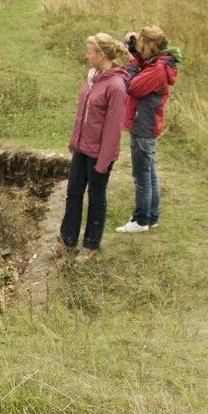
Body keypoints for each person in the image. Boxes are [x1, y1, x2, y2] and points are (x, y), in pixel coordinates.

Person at [58, 33, 129, 261]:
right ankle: (67, 240)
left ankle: (91, 246)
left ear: (101, 55)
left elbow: (113, 129)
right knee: (73, 193)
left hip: (99, 154)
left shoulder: (116, 86)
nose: (86, 55)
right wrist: (74, 141)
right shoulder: (93, 78)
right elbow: (83, 114)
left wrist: (104, 161)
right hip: (81, 148)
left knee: (96, 198)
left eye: (89, 51)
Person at [115, 26, 182, 234]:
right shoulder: (158, 63)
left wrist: (133, 63)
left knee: (142, 176)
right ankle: (151, 217)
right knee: (150, 173)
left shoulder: (157, 70)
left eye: (142, 44)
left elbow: (132, 86)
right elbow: (142, 69)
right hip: (147, 124)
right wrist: (134, 51)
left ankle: (141, 220)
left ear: (150, 46)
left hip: (143, 126)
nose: (139, 47)